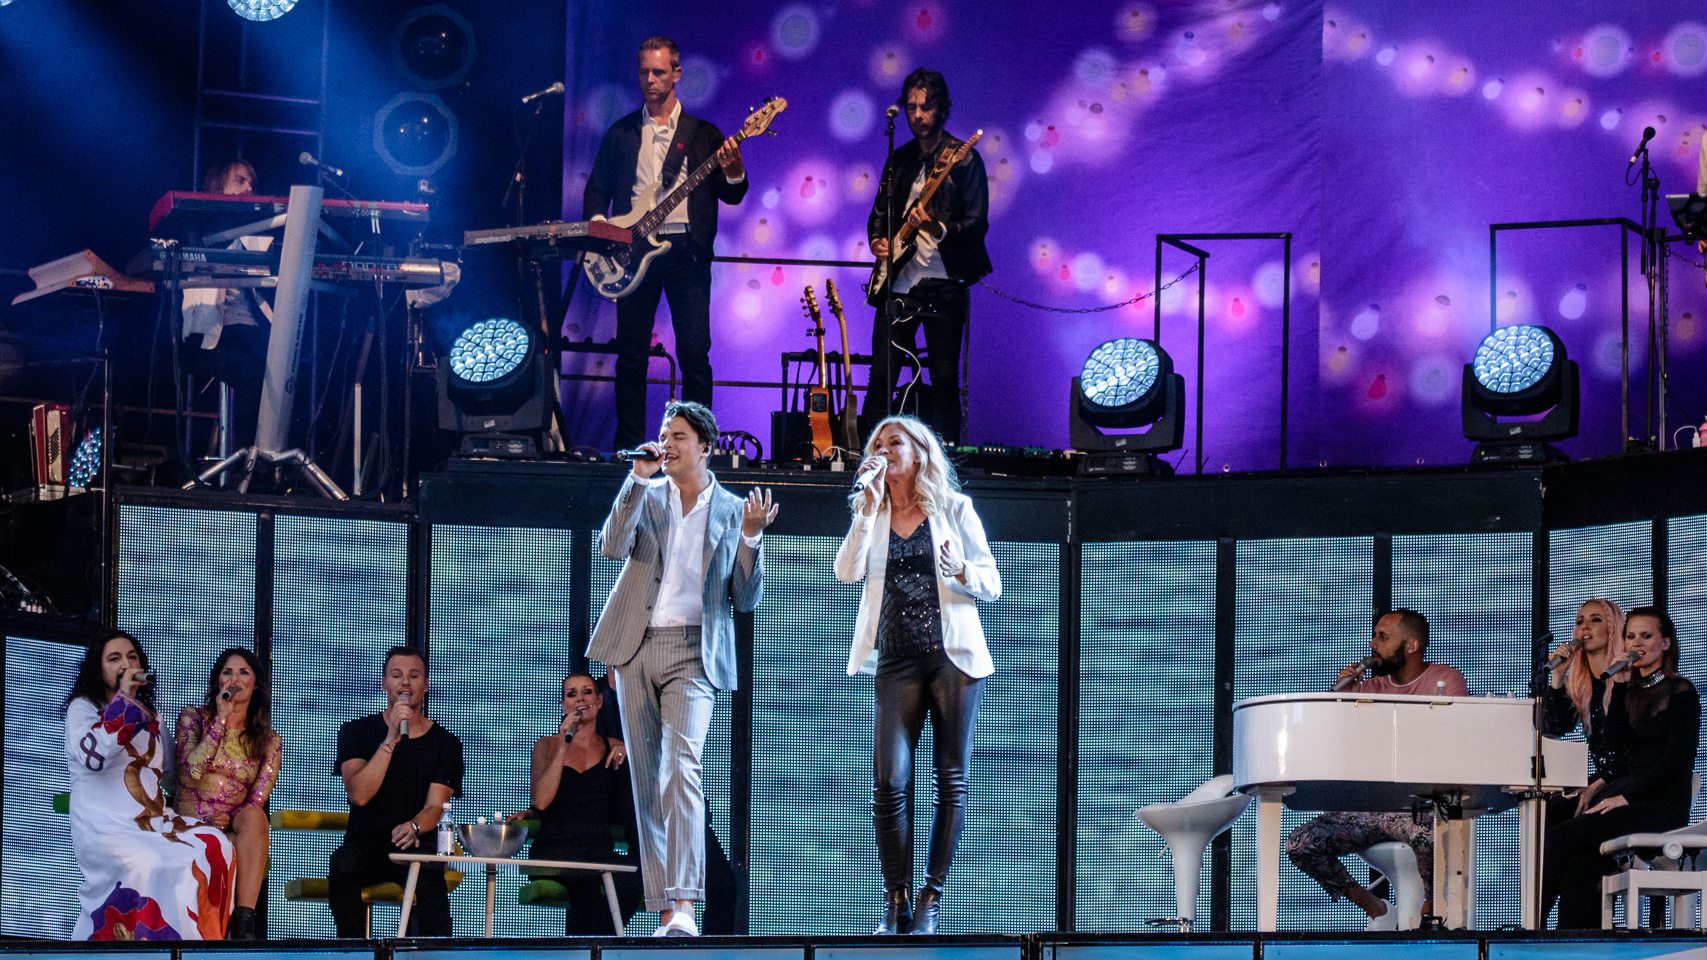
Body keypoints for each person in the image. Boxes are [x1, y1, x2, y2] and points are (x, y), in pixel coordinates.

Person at [586, 399, 775, 936]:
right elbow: (609, 547)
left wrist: (752, 537)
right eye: (664, 435)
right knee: (647, 784)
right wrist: (635, 480)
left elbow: (746, 598)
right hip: (635, 646)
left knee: (681, 769)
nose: (666, 444)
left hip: (695, 652)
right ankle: (666, 910)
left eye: (677, 437)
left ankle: (687, 904)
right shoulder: (646, 494)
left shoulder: (733, 510)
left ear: (705, 447)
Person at [834, 414, 1001, 935]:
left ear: (920, 453)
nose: (883, 451)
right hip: (897, 659)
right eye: (877, 445)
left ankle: (931, 896)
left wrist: (961, 571)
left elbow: (992, 583)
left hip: (952, 657)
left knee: (950, 779)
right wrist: (865, 510)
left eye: (894, 442)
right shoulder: (874, 511)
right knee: (889, 781)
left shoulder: (954, 508)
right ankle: (896, 899)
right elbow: (846, 572)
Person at [583, 36, 749, 452]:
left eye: (659, 72)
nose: (650, 80)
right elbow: (596, 189)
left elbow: (732, 194)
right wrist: (604, 233)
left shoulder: (703, 135)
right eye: (644, 72)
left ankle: (696, 446)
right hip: (632, 252)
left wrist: (734, 171)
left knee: (694, 354)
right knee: (631, 354)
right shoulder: (621, 132)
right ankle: (630, 447)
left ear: (677, 73)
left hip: (686, 253)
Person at [1284, 610, 1469, 929]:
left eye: (1382, 638)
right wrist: (1342, 701)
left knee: (1428, 835)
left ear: (1411, 645)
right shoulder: (1368, 688)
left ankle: (1429, 914)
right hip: (1369, 808)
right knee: (1301, 843)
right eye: (1374, 636)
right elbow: (1338, 747)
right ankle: (1376, 908)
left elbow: (1454, 742)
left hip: (1417, 806)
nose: (1372, 644)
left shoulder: (1444, 680)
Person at [63, 629, 235, 940]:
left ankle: (196, 945)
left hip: (152, 823)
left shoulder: (151, 717)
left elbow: (173, 776)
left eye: (132, 657)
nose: (125, 664)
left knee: (213, 844)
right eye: (114, 659)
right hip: (106, 827)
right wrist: (125, 700)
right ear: (98, 669)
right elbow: (94, 757)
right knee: (145, 862)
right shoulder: (83, 709)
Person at [1542, 607, 1700, 928]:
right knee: (1581, 860)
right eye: (1631, 636)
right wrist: (1618, 685)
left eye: (1646, 636)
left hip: (1660, 805)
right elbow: (1614, 745)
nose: (1637, 643)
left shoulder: (1680, 690)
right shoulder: (1629, 691)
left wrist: (1626, 796)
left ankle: (1532, 926)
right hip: (1630, 799)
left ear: (1665, 643)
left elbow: (1676, 760)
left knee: (1561, 837)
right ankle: (1575, 940)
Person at [864, 70, 991, 447]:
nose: (917, 115)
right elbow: (878, 214)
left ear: (941, 109)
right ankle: (869, 458)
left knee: (944, 381)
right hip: (898, 284)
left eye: (926, 107)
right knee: (881, 377)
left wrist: (937, 226)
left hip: (945, 285)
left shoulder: (964, 159)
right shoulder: (899, 159)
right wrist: (877, 241)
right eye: (911, 107)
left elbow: (978, 223)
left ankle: (943, 464)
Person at [329, 646, 464, 937]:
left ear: (425, 685)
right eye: (396, 675)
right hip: (366, 843)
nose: (405, 682)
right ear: (384, 683)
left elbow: (436, 806)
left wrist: (414, 826)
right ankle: (354, 950)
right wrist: (390, 738)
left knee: (430, 882)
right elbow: (359, 794)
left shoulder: (446, 744)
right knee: (343, 864)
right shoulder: (355, 732)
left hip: (415, 843)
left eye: (414, 676)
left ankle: (435, 953)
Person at [174, 647, 282, 940]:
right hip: (189, 822)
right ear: (218, 682)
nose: (235, 679)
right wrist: (220, 720)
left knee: (255, 817)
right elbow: (191, 773)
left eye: (244, 672)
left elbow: (256, 800)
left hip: (230, 826)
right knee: (218, 843)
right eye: (227, 672)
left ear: (255, 684)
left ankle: (244, 924)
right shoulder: (193, 718)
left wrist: (228, 818)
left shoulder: (269, 741)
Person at [523, 672, 643, 934]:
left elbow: (623, 806)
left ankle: (597, 942)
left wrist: (624, 752)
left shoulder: (613, 748)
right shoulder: (546, 745)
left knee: (636, 875)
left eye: (587, 692)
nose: (580, 699)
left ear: (599, 701)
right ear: (563, 705)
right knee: (585, 883)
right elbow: (540, 801)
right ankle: (591, 944)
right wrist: (563, 745)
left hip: (596, 846)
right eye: (572, 694)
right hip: (557, 846)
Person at [182, 158, 268, 450]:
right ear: (219, 185)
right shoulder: (201, 224)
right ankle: (245, 458)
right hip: (210, 332)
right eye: (240, 181)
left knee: (288, 368)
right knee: (254, 372)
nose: (249, 188)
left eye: (252, 183)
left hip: (247, 328)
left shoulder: (258, 228)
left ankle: (264, 455)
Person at [1541, 599, 1629, 821]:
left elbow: (1630, 749)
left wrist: (1597, 785)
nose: (1585, 627)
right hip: (1602, 778)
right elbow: (1554, 727)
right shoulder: (1581, 684)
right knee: (1549, 812)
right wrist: (1559, 675)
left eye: (1595, 620)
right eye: (1580, 622)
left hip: (1626, 779)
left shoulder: (1627, 679)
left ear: (1614, 628)